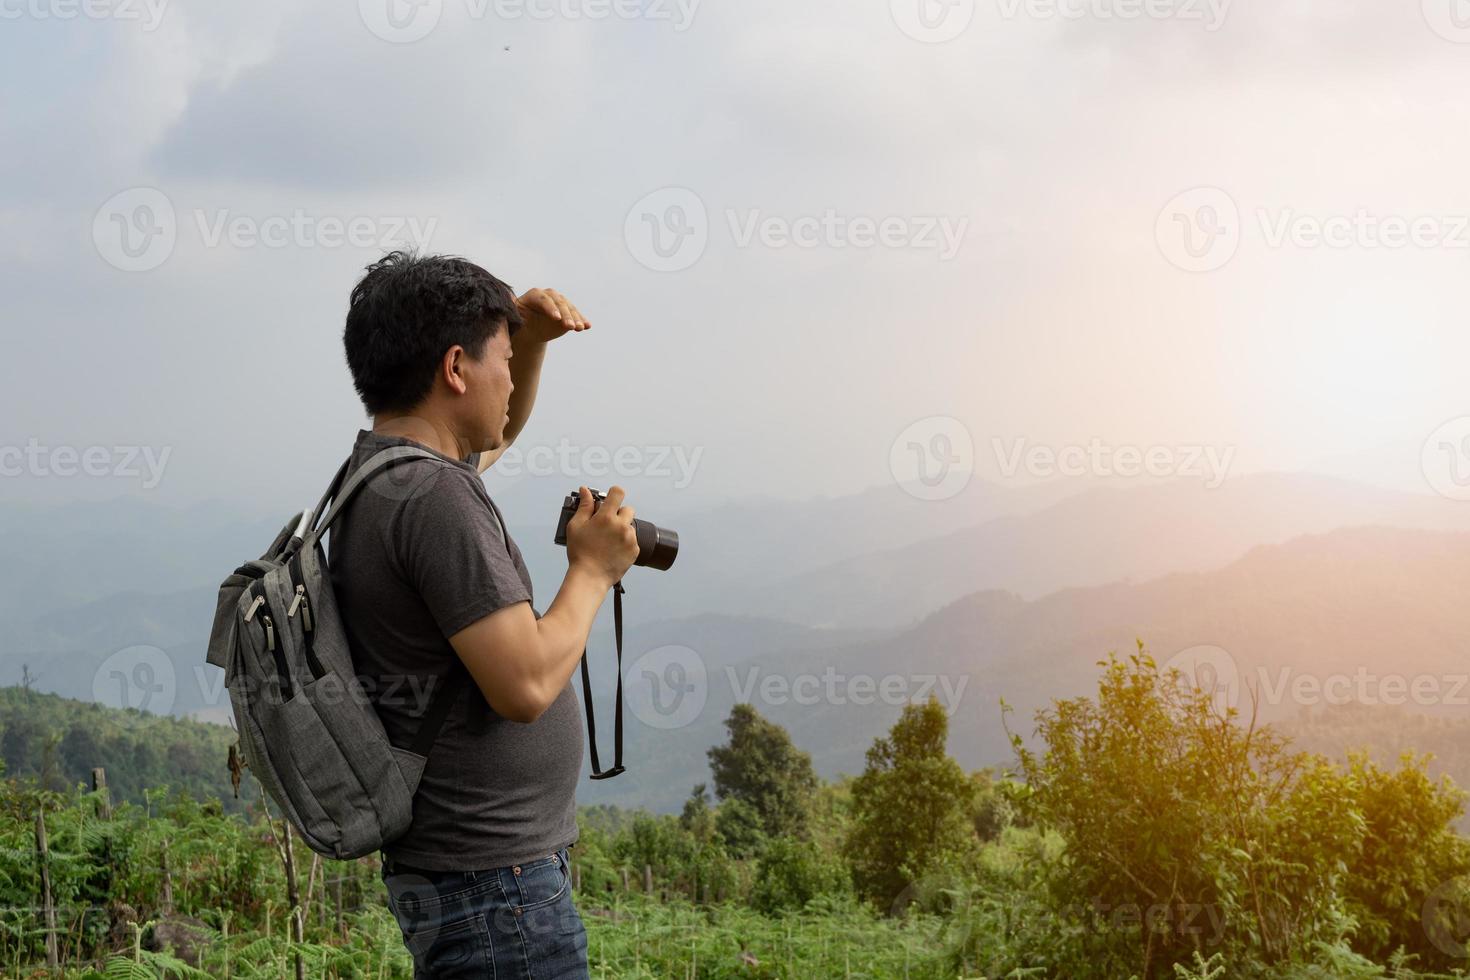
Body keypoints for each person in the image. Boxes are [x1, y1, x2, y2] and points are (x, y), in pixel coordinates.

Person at [330, 250, 638, 978]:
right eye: (499, 360)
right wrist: (593, 571)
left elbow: (494, 433)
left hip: (465, 879)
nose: (508, 380)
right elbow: (525, 685)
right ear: (455, 368)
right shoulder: (436, 501)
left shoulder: (384, 475)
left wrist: (525, 343)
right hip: (497, 890)